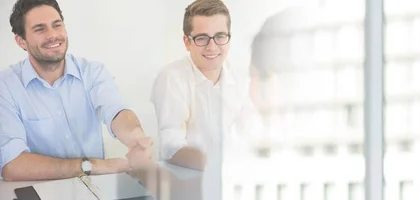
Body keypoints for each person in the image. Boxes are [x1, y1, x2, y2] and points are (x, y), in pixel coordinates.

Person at [0, 0, 153, 181]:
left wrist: (136, 138)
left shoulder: (93, 72)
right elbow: (12, 165)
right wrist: (92, 166)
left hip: (96, 189)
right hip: (41, 192)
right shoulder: (6, 87)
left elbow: (116, 111)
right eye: (40, 29)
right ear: (21, 41)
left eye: (57, 25)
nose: (53, 35)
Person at [151, 0, 257, 171]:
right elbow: (172, 146)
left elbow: (252, 135)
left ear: (229, 38)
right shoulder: (171, 78)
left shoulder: (242, 77)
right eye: (202, 38)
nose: (212, 47)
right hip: (189, 184)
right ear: (187, 42)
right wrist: (219, 166)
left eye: (220, 36)